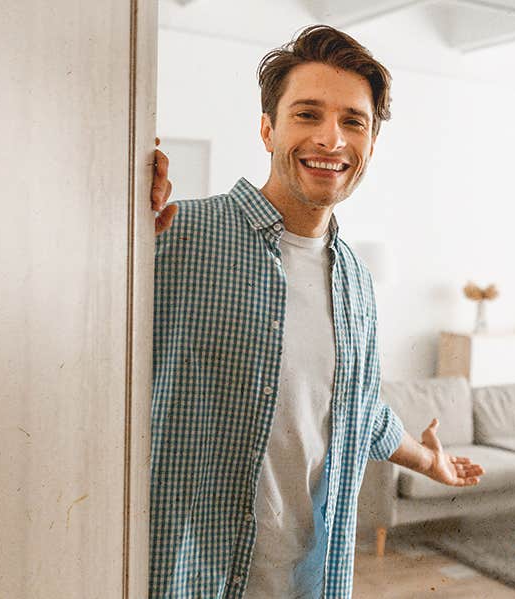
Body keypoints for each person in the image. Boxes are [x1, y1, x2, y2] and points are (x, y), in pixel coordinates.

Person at [147, 25, 484, 598]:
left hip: (312, 581)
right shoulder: (176, 231)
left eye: (353, 121)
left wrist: (426, 460)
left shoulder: (357, 281)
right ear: (267, 129)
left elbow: (354, 409)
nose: (331, 139)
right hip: (189, 579)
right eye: (307, 114)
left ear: (371, 144)